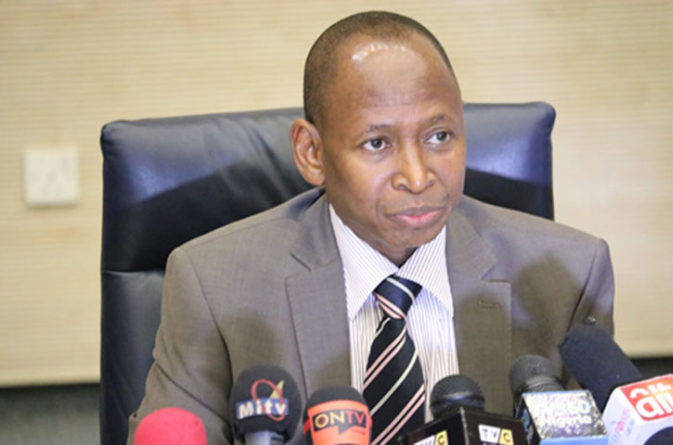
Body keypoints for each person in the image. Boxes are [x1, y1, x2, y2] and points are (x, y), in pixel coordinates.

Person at [127, 11, 614, 445]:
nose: (418, 177)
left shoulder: (567, 277)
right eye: (377, 143)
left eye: (439, 136)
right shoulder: (215, 284)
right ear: (311, 153)